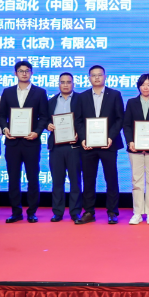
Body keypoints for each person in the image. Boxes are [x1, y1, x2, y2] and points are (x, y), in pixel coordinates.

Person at [0, 61, 49, 223]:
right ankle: (16, 212)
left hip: (31, 142)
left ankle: (32, 212)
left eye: (27, 71)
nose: (24, 73)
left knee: (32, 178)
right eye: (21, 71)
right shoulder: (7, 92)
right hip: (12, 142)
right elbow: (1, 115)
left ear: (32, 73)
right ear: (15, 73)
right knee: (13, 178)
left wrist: (37, 132)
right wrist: (5, 128)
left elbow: (44, 116)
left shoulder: (40, 92)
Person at [74, 65, 125, 225]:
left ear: (105, 76)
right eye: (93, 75)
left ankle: (112, 212)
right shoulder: (82, 97)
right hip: (88, 145)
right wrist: (83, 138)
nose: (96, 78)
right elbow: (78, 120)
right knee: (88, 179)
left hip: (108, 144)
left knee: (111, 178)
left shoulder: (115, 95)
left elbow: (120, 118)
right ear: (89, 78)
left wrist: (110, 137)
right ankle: (89, 211)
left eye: (99, 75)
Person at [123, 73, 149, 225]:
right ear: (139, 86)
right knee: (137, 180)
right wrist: (130, 142)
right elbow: (126, 125)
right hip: (135, 148)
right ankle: (138, 213)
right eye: (143, 84)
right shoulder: (131, 102)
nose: (145, 87)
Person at [47, 72, 83, 223]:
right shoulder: (51, 101)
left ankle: (75, 212)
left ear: (73, 83)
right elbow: (44, 119)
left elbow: (84, 120)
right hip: (56, 147)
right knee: (57, 181)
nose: (66, 84)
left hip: (74, 146)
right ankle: (58, 212)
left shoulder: (81, 99)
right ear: (59, 84)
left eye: (69, 82)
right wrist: (47, 125)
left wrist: (80, 133)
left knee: (75, 181)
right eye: (63, 82)